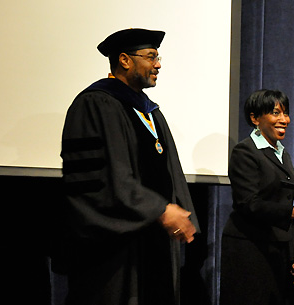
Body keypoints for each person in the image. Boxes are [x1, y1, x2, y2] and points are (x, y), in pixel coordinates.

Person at [58, 28, 199, 305]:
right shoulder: (96, 103)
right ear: (124, 60)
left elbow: (171, 171)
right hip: (114, 250)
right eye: (150, 57)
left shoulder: (150, 111)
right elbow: (104, 177)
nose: (158, 64)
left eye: (158, 57)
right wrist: (159, 209)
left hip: (153, 240)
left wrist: (181, 214)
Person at [220, 89, 294, 305]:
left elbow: (285, 205)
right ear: (254, 118)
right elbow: (249, 204)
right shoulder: (245, 152)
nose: (284, 120)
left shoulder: (282, 153)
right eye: (275, 113)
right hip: (249, 247)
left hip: (278, 249)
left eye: (285, 113)